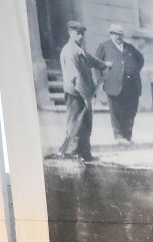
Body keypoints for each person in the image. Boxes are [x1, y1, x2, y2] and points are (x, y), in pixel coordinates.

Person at [58, 20, 107, 161]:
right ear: (70, 33)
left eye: (82, 34)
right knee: (76, 125)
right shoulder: (69, 51)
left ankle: (85, 154)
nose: (80, 36)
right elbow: (75, 78)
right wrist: (85, 97)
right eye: (77, 33)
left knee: (86, 124)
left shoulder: (80, 50)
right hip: (75, 94)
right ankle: (72, 155)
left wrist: (104, 65)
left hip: (84, 93)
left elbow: (92, 60)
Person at [94, 24, 144, 143]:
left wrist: (132, 71)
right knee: (116, 111)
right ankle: (119, 136)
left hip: (131, 86)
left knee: (130, 111)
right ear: (111, 34)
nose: (118, 36)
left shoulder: (129, 47)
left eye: (120, 34)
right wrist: (102, 80)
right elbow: (97, 64)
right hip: (113, 85)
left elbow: (141, 60)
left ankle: (128, 136)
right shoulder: (104, 46)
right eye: (115, 34)